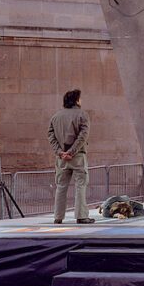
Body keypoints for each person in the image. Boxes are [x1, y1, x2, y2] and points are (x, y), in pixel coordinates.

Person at [47, 89, 93, 225]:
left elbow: (50, 136)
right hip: (78, 156)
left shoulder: (55, 117)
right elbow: (83, 136)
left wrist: (60, 152)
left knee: (61, 187)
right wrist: (72, 152)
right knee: (80, 186)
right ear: (77, 100)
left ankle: (58, 216)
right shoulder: (82, 115)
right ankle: (81, 216)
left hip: (61, 158)